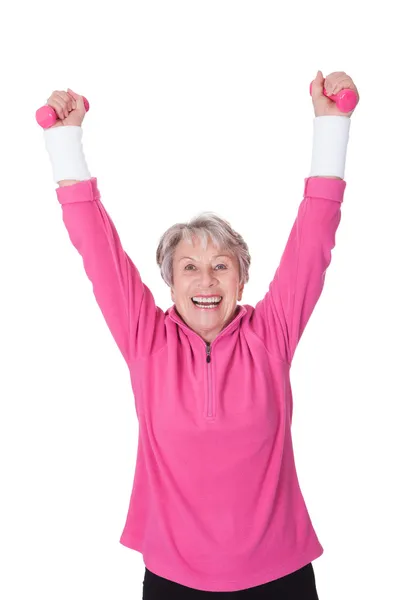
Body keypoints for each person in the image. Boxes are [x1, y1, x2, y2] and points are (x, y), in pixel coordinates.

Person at [42, 70, 359, 598]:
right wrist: (63, 140)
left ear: (242, 278)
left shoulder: (272, 334)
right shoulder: (147, 340)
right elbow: (96, 249)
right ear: (169, 281)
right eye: (189, 266)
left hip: (279, 574)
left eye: (221, 266)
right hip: (173, 577)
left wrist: (332, 125)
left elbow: (314, 237)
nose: (206, 280)